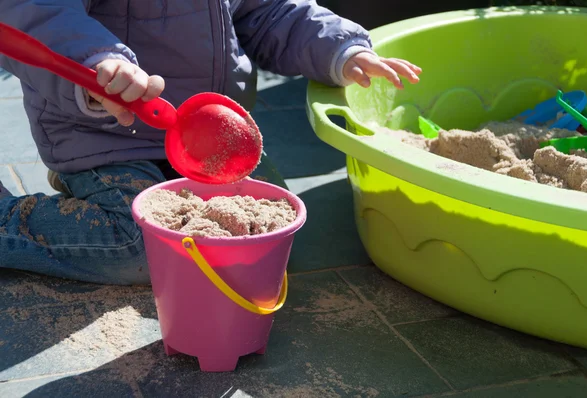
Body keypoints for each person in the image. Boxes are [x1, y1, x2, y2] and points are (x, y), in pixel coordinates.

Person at [0, 0, 421, 285]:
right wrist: (96, 65)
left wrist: (341, 51)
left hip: (210, 142)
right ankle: (9, 220)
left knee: (266, 228)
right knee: (136, 244)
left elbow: (270, 13)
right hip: (107, 134)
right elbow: (39, 11)